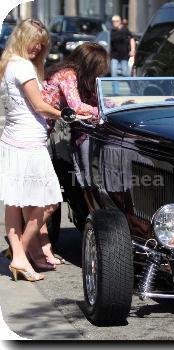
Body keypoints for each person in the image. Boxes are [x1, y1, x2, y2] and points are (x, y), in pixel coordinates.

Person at [0, 19, 65, 281]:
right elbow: (39, 106)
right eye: (34, 43)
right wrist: (66, 115)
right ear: (22, 39)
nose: (37, 49)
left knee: (16, 201)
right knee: (49, 200)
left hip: (14, 139)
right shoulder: (23, 67)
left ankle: (18, 254)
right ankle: (19, 254)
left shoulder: (7, 64)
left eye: (42, 46)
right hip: (28, 142)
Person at [42, 42, 109, 216]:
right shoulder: (67, 75)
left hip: (49, 125)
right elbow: (76, 106)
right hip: (40, 127)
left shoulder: (73, 75)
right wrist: (103, 111)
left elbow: (91, 99)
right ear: (89, 65)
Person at [110, 15, 136, 93]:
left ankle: (133, 89)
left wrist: (133, 50)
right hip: (114, 55)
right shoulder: (112, 31)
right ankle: (116, 92)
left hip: (124, 55)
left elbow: (132, 39)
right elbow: (111, 43)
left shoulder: (125, 30)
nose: (114, 23)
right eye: (113, 21)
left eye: (116, 21)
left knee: (125, 73)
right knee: (114, 73)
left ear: (119, 21)